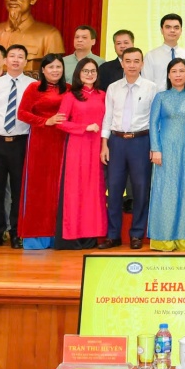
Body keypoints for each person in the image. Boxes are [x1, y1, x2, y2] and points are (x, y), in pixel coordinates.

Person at [0, 44, 37, 249]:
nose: (16, 60)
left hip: (21, 142)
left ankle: (16, 233)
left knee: (19, 191)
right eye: (12, 56)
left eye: (20, 56)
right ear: (6, 60)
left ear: (26, 61)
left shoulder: (33, 85)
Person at [100, 47, 158, 249]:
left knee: (141, 189)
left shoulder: (151, 88)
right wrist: (104, 144)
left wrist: (154, 146)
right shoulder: (113, 88)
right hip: (116, 142)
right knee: (114, 189)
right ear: (122, 63)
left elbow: (154, 120)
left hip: (141, 141)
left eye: (136, 61)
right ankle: (113, 235)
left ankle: (137, 234)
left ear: (142, 64)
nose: (132, 65)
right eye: (128, 61)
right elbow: (107, 117)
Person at [16, 53, 69, 249]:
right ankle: (36, 236)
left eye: (58, 67)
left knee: (59, 188)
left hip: (63, 142)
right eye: (51, 67)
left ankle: (58, 236)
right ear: (43, 70)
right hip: (40, 142)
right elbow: (22, 113)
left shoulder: (69, 89)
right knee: (38, 188)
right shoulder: (34, 88)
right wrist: (45, 121)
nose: (55, 70)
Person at [55, 58, 108, 249]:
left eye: (93, 71)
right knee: (75, 190)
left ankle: (92, 235)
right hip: (77, 147)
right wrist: (84, 127)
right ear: (78, 73)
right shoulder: (71, 96)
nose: (89, 74)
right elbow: (60, 122)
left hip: (98, 148)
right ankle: (73, 235)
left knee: (95, 190)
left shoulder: (103, 95)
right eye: (85, 71)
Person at [148, 58, 185, 251]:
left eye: (181, 71)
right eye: (174, 71)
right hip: (164, 151)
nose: (178, 75)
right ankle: (163, 238)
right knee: (164, 192)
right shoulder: (161, 97)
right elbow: (153, 124)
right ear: (168, 75)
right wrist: (156, 149)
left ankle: (182, 238)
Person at [142, 14, 185, 87]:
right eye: (168, 27)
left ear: (181, 31)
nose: (172, 30)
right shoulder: (151, 56)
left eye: (176, 28)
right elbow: (146, 84)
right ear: (162, 30)